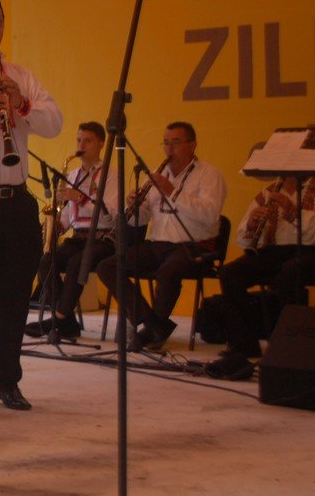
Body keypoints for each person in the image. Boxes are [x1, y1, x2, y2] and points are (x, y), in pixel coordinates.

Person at [0, 0, 62, 411]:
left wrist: (21, 104)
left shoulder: (21, 77)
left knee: (15, 298)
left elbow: (55, 123)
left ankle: (6, 378)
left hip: (16, 200)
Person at [95, 121, 227, 352]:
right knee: (108, 266)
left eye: (176, 142)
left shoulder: (208, 174)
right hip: (158, 244)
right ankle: (153, 324)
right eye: (166, 143)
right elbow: (141, 219)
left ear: (193, 145)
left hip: (193, 245)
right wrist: (136, 206)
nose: (169, 149)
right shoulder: (159, 173)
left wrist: (172, 192)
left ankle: (151, 329)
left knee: (169, 271)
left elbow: (209, 214)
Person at [205, 176, 315, 379]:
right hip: (274, 252)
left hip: (313, 252)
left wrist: (292, 211)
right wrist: (252, 224)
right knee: (230, 273)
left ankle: (291, 345)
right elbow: (244, 240)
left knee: (290, 273)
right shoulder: (267, 192)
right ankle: (244, 344)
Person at [25, 121, 117, 341]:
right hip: (78, 238)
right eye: (79, 140)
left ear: (101, 144)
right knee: (46, 262)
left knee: (76, 263)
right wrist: (58, 225)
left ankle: (59, 320)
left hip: (102, 239)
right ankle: (66, 320)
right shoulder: (73, 175)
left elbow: (111, 213)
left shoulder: (110, 175)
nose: (81, 145)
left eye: (88, 140)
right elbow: (69, 213)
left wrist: (81, 198)